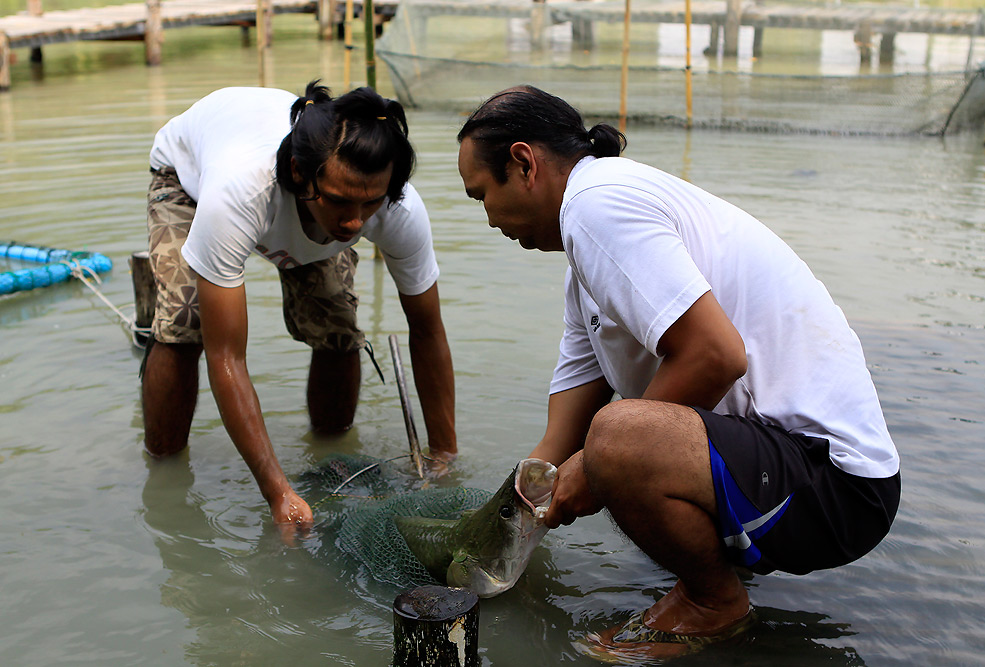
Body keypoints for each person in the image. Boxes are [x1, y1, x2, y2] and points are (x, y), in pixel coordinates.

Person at [457, 86, 900, 658]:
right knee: (609, 444)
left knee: (617, 437)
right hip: (782, 468)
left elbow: (717, 355)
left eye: (481, 195)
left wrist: (591, 471)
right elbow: (556, 441)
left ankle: (713, 603)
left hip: (836, 483)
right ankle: (712, 586)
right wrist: (503, 529)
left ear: (524, 163)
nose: (489, 218)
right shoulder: (585, 264)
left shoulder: (596, 206)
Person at [142, 81, 456, 539]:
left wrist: (444, 454)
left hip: (293, 202)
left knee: (336, 325)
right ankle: (163, 470)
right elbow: (226, 356)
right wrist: (278, 493)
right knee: (186, 322)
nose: (354, 223)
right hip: (187, 180)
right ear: (299, 173)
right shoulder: (240, 193)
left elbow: (427, 330)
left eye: (369, 204)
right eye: (341, 201)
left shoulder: (396, 208)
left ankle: (329, 453)